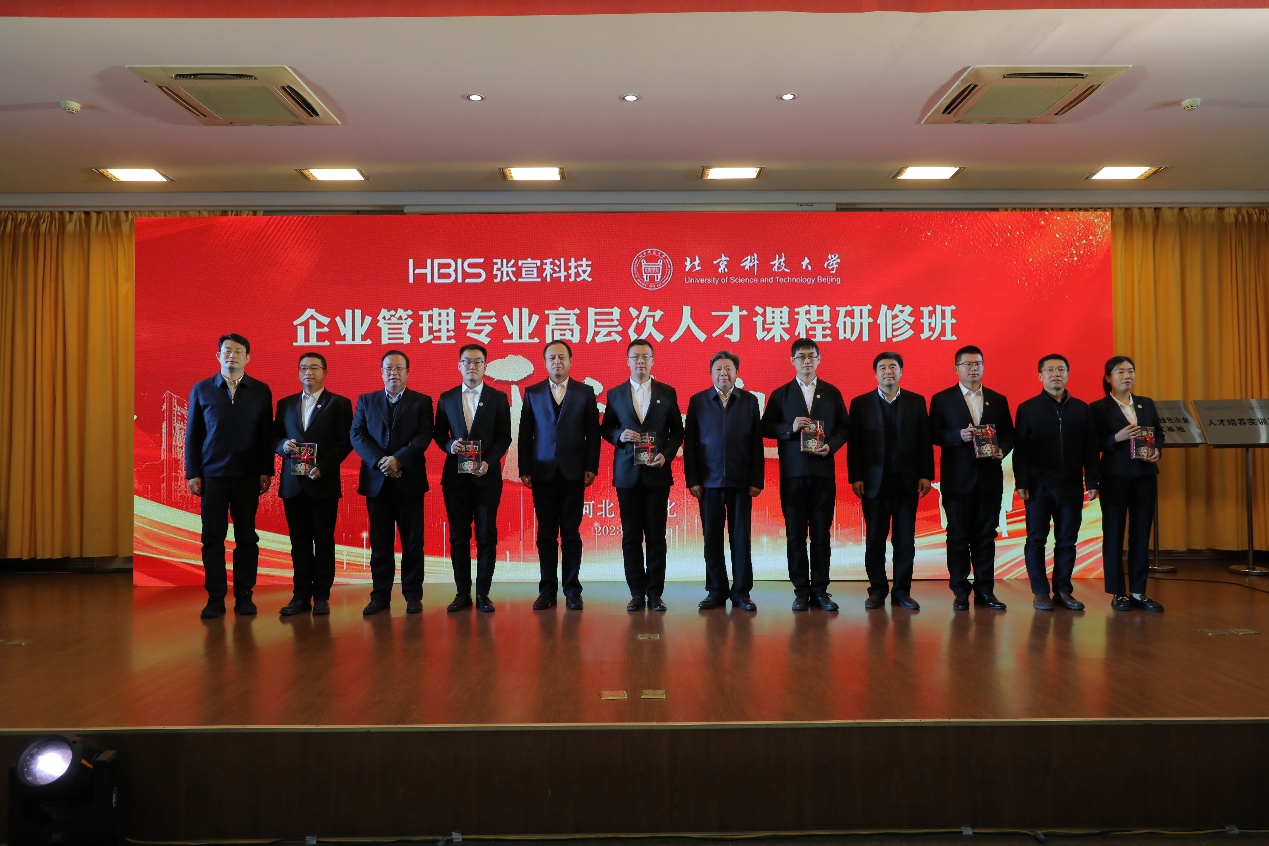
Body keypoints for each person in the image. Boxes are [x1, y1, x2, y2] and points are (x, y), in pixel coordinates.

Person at [185, 333, 274, 620]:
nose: (231, 355)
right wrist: (193, 473)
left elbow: (266, 434)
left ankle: (245, 596)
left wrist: (266, 469)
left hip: (248, 476)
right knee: (212, 538)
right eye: (226, 351)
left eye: (238, 351)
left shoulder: (260, 390)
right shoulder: (202, 389)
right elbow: (193, 434)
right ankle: (215, 598)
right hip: (212, 476)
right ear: (218, 356)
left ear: (248, 357)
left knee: (246, 537)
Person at [760, 338, 849, 612]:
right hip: (793, 475)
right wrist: (790, 427)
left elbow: (845, 428)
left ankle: (821, 590)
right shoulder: (781, 394)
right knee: (795, 535)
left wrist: (830, 445)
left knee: (821, 534)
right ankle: (800, 590)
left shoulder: (831, 392)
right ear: (792, 361)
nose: (807, 360)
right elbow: (765, 427)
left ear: (819, 360)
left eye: (812, 356)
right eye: (801, 356)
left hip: (823, 474)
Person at [928, 345, 1014, 610]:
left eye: (978, 363)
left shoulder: (997, 399)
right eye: (967, 364)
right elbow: (932, 433)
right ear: (956, 369)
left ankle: (985, 591)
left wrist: (1002, 449)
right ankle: (960, 591)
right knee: (957, 536)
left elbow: (1009, 434)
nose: (973, 368)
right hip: (957, 480)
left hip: (989, 480)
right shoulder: (942, 399)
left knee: (986, 536)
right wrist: (958, 436)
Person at [600, 339, 684, 612]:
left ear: (652, 361)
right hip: (627, 474)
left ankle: (655, 593)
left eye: (645, 357)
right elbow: (606, 428)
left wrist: (666, 455)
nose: (640, 361)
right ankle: (636, 592)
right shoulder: (615, 394)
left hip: (657, 472)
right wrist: (619, 435)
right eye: (635, 357)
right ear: (627, 361)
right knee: (631, 536)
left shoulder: (667, 392)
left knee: (657, 536)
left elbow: (677, 431)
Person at [847, 351, 934, 610]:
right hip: (874, 483)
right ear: (875, 373)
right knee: (875, 540)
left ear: (901, 372)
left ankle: (902, 592)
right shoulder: (860, 403)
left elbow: (924, 440)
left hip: (907, 482)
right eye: (883, 367)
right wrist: (856, 477)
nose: (888, 371)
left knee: (905, 541)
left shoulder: (916, 402)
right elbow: (855, 445)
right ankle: (877, 591)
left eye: (893, 367)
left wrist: (926, 474)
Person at [350, 350, 434, 616]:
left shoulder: (421, 401)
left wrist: (399, 460)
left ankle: (413, 595)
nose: (393, 373)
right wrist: (381, 462)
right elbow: (357, 434)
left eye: (399, 368)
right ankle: (380, 596)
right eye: (388, 368)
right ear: (381, 372)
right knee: (380, 543)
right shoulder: (366, 400)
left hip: (409, 481)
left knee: (413, 543)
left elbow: (423, 436)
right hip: (377, 483)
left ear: (408, 372)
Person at [1013, 353, 1100, 611]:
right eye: (1050, 370)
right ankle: (1040, 592)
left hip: (1071, 486)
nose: (1056, 374)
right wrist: (1022, 481)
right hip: (1038, 487)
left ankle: (1063, 590)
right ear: (1040, 376)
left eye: (1061, 370)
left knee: (1067, 541)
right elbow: (1021, 449)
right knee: (1036, 539)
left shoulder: (1082, 409)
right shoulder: (1028, 408)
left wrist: (1092, 481)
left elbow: (1090, 449)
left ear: (1068, 375)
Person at [518, 340, 600, 611]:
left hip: (574, 473)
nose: (557, 362)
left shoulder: (584, 392)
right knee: (545, 535)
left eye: (562, 357)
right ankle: (547, 591)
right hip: (542, 473)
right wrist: (524, 468)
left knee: (571, 534)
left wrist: (591, 466)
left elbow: (593, 434)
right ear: (545, 363)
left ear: (570, 361)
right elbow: (525, 434)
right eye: (552, 357)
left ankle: (573, 590)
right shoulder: (533, 392)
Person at [272, 352, 354, 617]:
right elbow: (274, 437)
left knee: (324, 541)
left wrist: (324, 467)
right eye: (303, 368)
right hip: (293, 484)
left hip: (323, 482)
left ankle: (321, 596)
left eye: (314, 368)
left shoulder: (339, 403)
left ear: (325, 373)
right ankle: (300, 596)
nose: (308, 372)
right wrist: (283, 446)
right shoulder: (285, 404)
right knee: (299, 543)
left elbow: (345, 442)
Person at [683, 351, 765, 612]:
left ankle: (742, 592)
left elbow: (756, 443)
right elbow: (690, 444)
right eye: (718, 369)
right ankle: (716, 590)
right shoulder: (698, 401)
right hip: (709, 482)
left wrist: (756, 479)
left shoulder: (749, 401)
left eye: (729, 368)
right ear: (711, 373)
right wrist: (693, 480)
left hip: (741, 482)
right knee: (712, 539)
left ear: (737, 373)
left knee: (741, 539)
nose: (723, 373)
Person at [433, 344, 512, 613]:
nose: (472, 366)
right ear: (459, 366)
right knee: (458, 538)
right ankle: (462, 593)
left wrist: (489, 462)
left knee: (486, 536)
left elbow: (504, 436)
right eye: (467, 361)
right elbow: (438, 433)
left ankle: (483, 594)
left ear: (485, 366)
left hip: (486, 478)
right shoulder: (447, 398)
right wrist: (449, 445)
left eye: (478, 362)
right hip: (455, 480)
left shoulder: (498, 398)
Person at [1091, 355, 1165, 612]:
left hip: (1145, 476)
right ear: (1108, 378)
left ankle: (1138, 591)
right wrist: (1116, 437)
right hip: (1114, 477)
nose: (1127, 376)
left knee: (1141, 534)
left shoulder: (1146, 403)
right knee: (1114, 535)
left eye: (1130, 371)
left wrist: (1157, 451)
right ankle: (1118, 593)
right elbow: (1092, 443)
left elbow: (1159, 434)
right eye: (1120, 372)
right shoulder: (1098, 407)